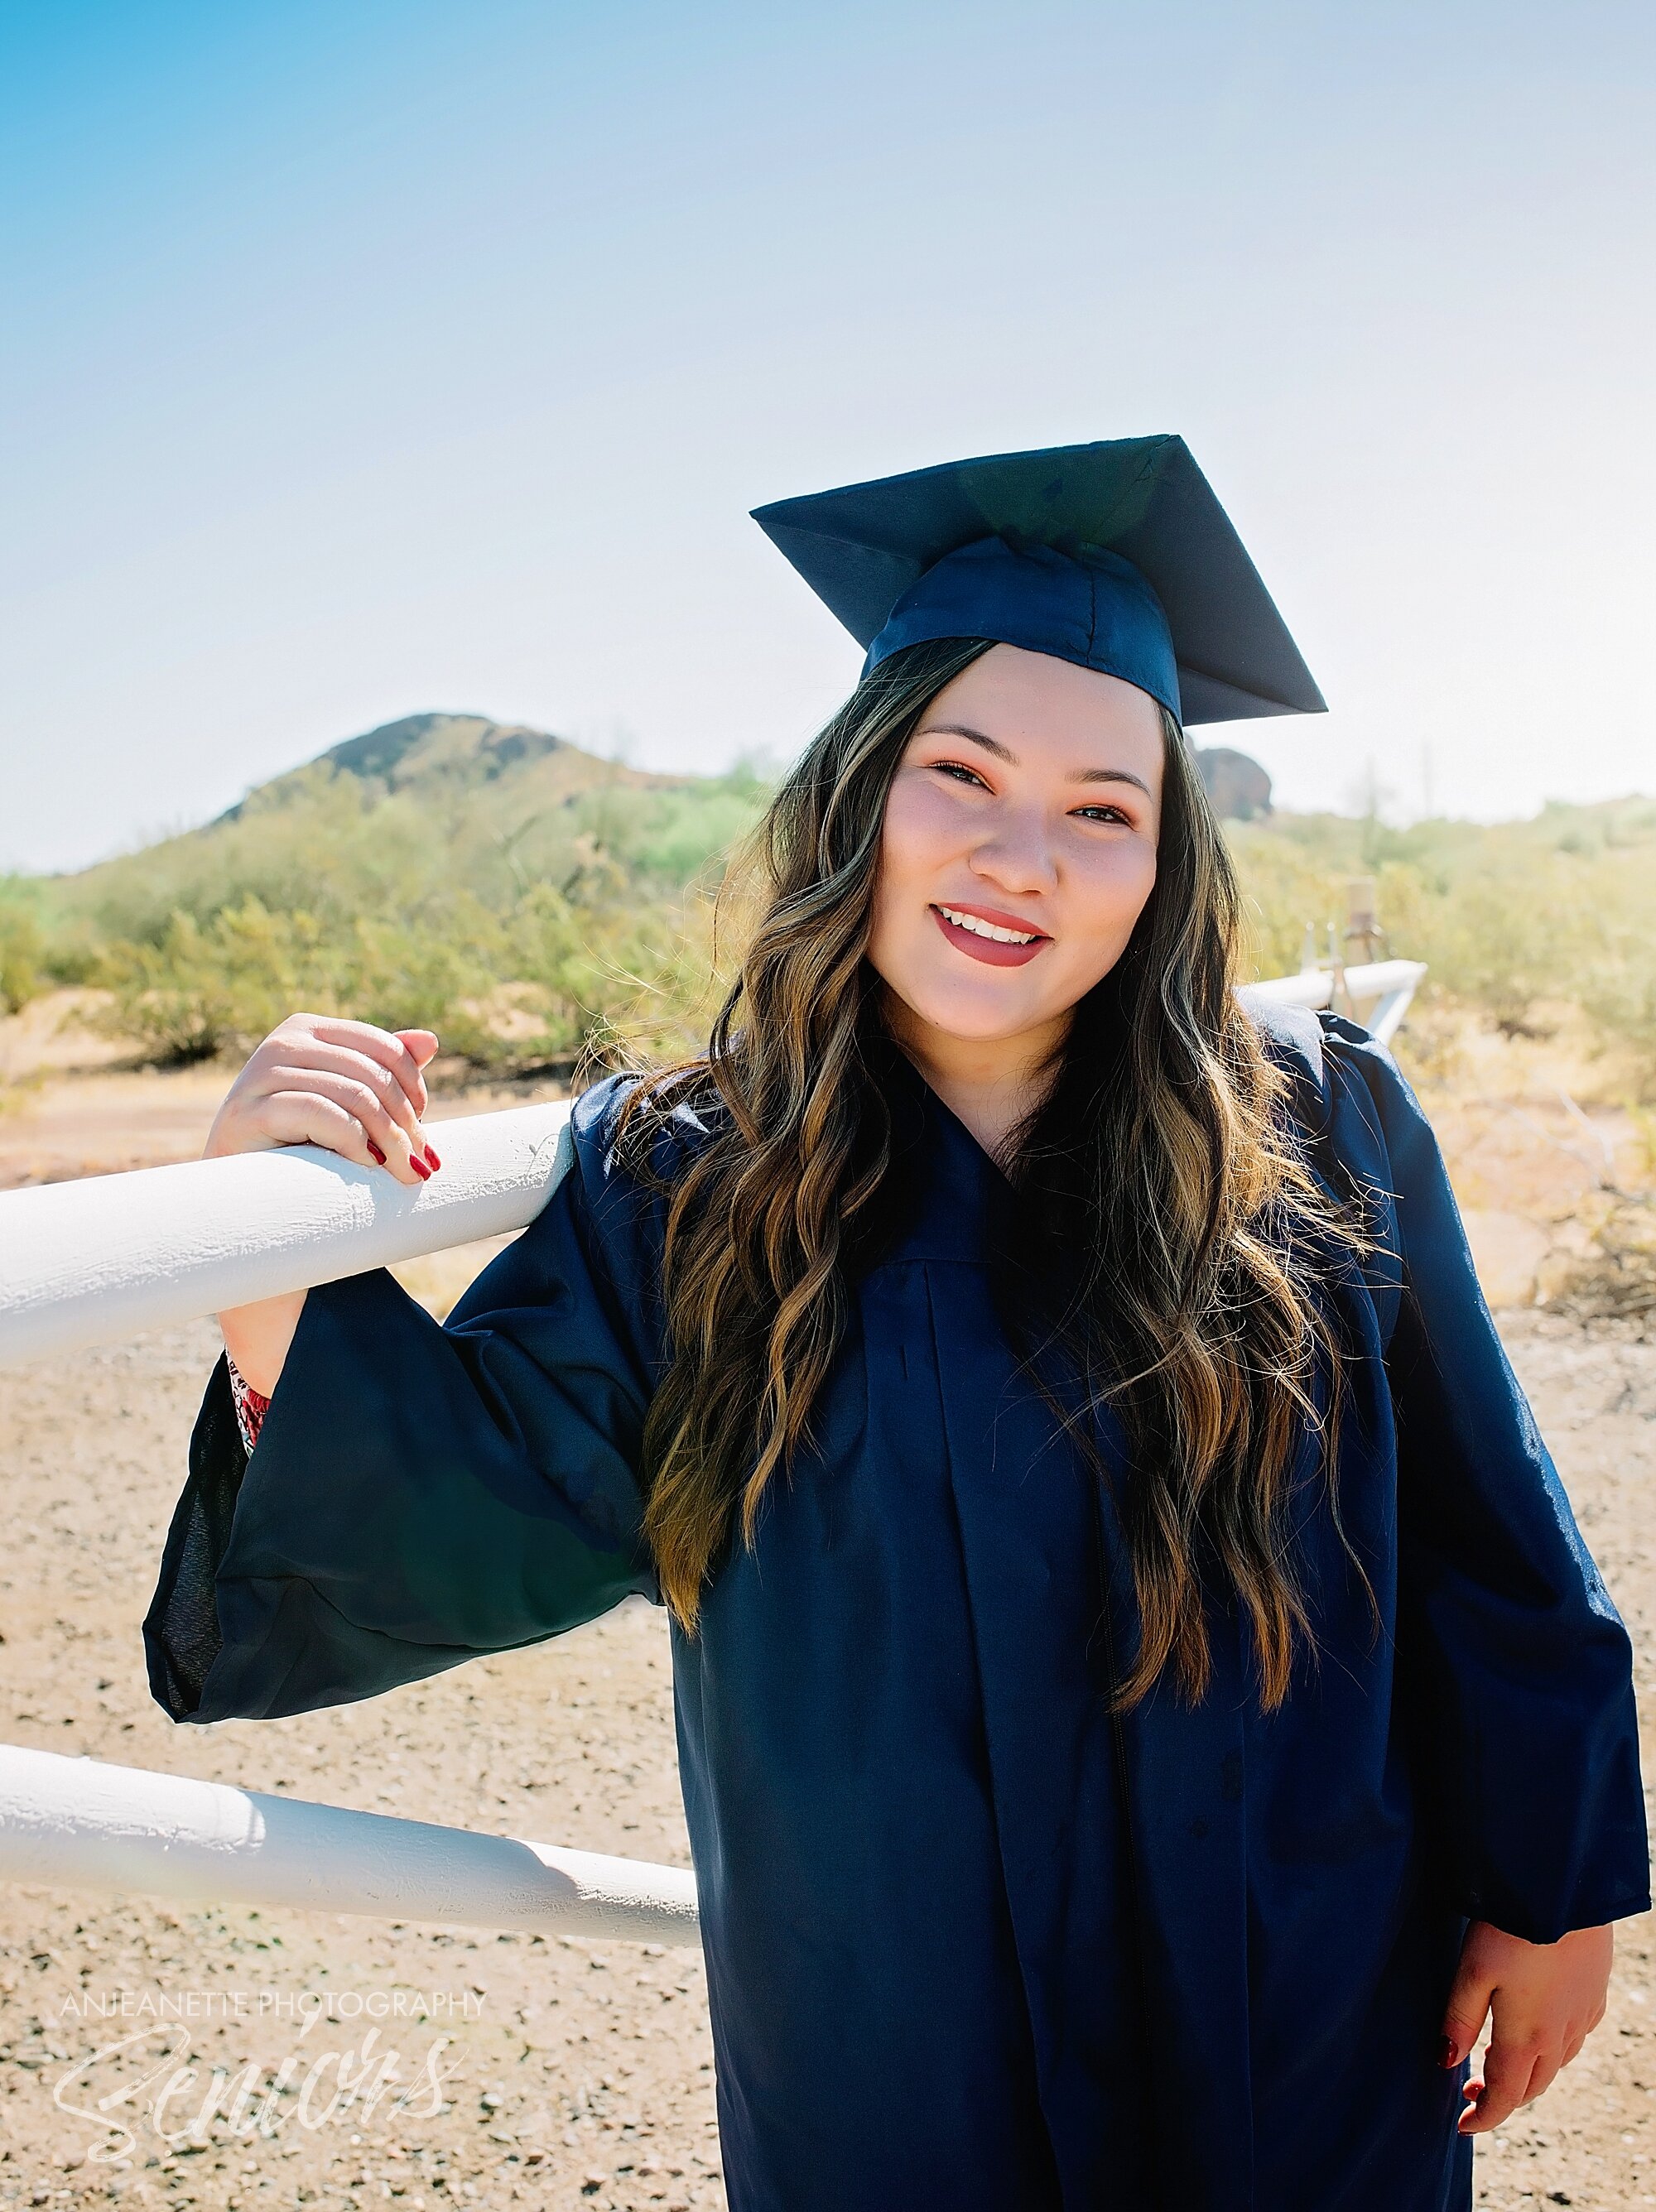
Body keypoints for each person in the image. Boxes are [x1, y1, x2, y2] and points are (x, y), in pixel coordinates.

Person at [147, 438, 1648, 2212]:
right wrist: (265, 1257)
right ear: (861, 793)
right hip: (892, 2038)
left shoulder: (1318, 1123)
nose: (1023, 855)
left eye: (1105, 807)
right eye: (962, 774)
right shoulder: (682, 1184)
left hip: (1303, 1982)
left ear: (1165, 862)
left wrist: (1556, 1883)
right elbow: (489, 1489)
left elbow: (1491, 1527)